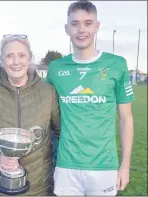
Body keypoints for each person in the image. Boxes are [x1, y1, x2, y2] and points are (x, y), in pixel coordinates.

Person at [46, 0, 134, 196]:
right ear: (67, 28)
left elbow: (126, 118)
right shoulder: (56, 68)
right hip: (66, 165)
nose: (81, 30)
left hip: (104, 166)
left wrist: (125, 166)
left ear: (97, 26)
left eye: (87, 23)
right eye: (75, 24)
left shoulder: (117, 65)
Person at [0, 34, 61, 196]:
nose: (16, 62)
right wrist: (0, 157)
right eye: (9, 56)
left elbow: (61, 132)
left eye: (21, 55)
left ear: (30, 58)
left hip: (38, 188)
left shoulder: (48, 92)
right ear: (2, 59)